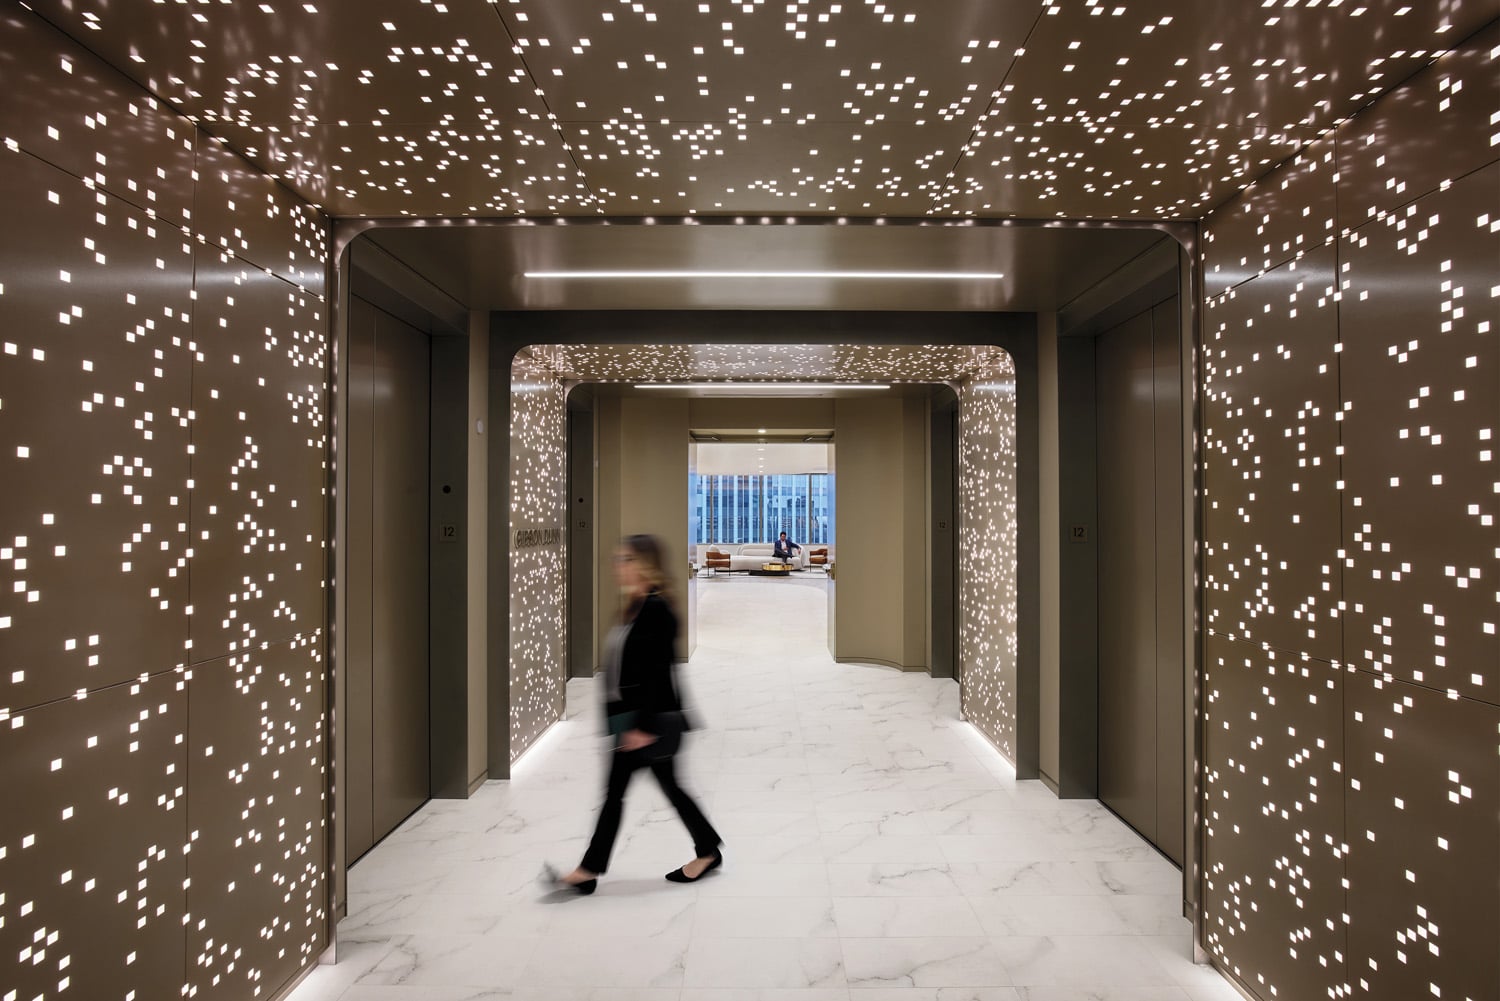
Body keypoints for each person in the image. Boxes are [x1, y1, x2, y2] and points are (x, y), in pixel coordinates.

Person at [554, 534, 723, 895]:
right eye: (618, 559)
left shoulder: (658, 610)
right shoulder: (634, 606)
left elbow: (659, 674)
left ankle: (589, 870)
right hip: (630, 720)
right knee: (661, 789)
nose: (619, 566)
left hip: (648, 722)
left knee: (620, 793)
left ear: (646, 564)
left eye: (627, 559)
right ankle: (707, 850)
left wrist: (642, 726)